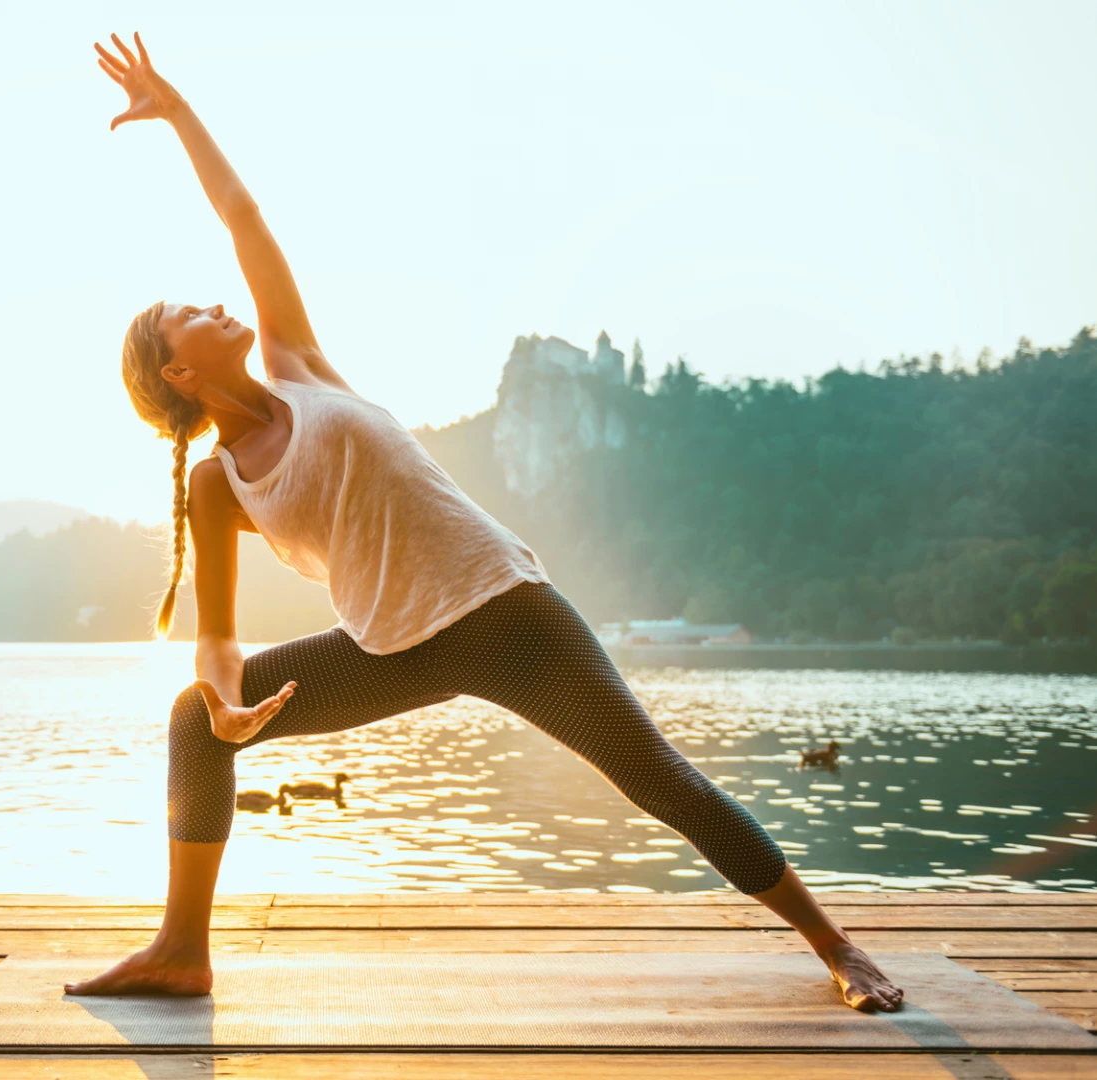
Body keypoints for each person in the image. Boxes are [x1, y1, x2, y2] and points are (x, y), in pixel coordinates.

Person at [69, 31, 903, 1014]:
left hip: (510, 616)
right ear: (178, 372)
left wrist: (178, 115)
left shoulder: (298, 362)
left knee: (661, 782)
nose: (214, 304)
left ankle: (837, 947)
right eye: (189, 316)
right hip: (388, 650)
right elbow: (214, 635)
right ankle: (181, 950)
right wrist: (225, 701)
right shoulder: (218, 487)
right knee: (191, 722)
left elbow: (243, 215)